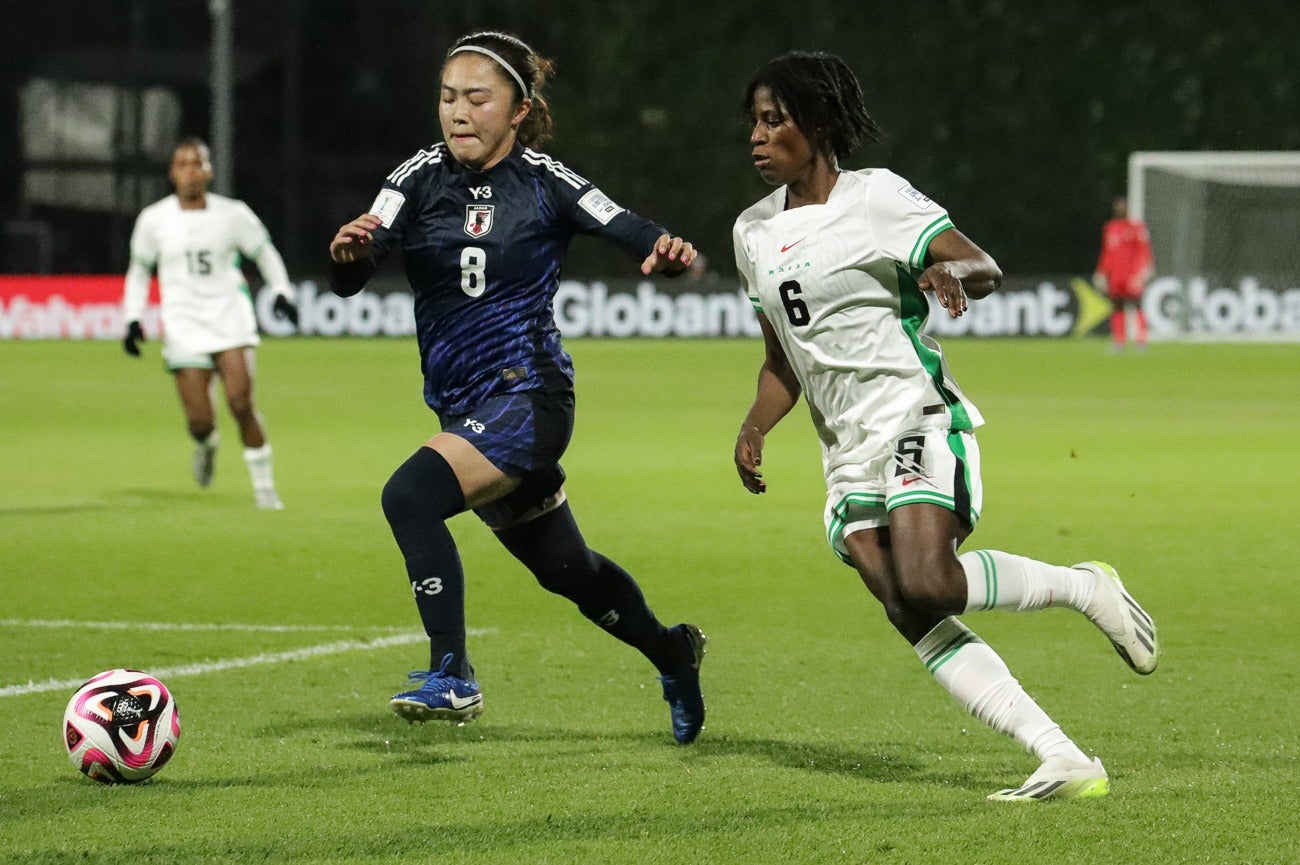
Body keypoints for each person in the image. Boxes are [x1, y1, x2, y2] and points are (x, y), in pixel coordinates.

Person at [730, 51, 1159, 800]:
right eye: (754, 124)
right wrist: (755, 425)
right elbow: (783, 357)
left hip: (913, 414)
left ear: (821, 124)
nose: (758, 137)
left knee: (931, 579)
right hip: (846, 453)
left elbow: (983, 263)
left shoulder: (876, 198)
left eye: (776, 120)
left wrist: (952, 274)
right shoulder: (752, 233)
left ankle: (1085, 585)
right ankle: (1059, 754)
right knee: (904, 603)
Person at [327, 31, 707, 743]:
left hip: (529, 397)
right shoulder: (416, 176)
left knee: (409, 495)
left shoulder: (545, 180)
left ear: (519, 109)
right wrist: (347, 253)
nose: (458, 112)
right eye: (447, 98)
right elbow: (359, 260)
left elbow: (628, 228)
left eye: (478, 98)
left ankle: (452, 672)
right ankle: (672, 650)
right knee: (570, 571)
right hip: (465, 406)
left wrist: (665, 251)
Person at [122, 137, 297, 510]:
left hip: (230, 318)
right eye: (182, 164)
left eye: (197, 164)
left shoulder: (233, 214)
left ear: (209, 171)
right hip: (184, 326)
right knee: (201, 422)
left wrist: (282, 291)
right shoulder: (154, 220)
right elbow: (139, 272)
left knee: (240, 403)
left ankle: (265, 490)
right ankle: (206, 446)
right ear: (172, 173)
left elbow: (264, 253)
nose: (190, 172)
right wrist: (133, 318)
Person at [1093, 196, 1154, 351]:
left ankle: (1141, 341)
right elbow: (1106, 253)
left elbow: (1144, 250)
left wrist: (1145, 270)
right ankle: (1119, 341)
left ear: (1128, 209)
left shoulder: (1136, 227)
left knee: (1136, 305)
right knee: (1117, 306)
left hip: (1132, 277)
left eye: (1123, 207)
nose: (1120, 209)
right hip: (1116, 276)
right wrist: (1101, 272)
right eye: (1118, 207)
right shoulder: (1110, 228)